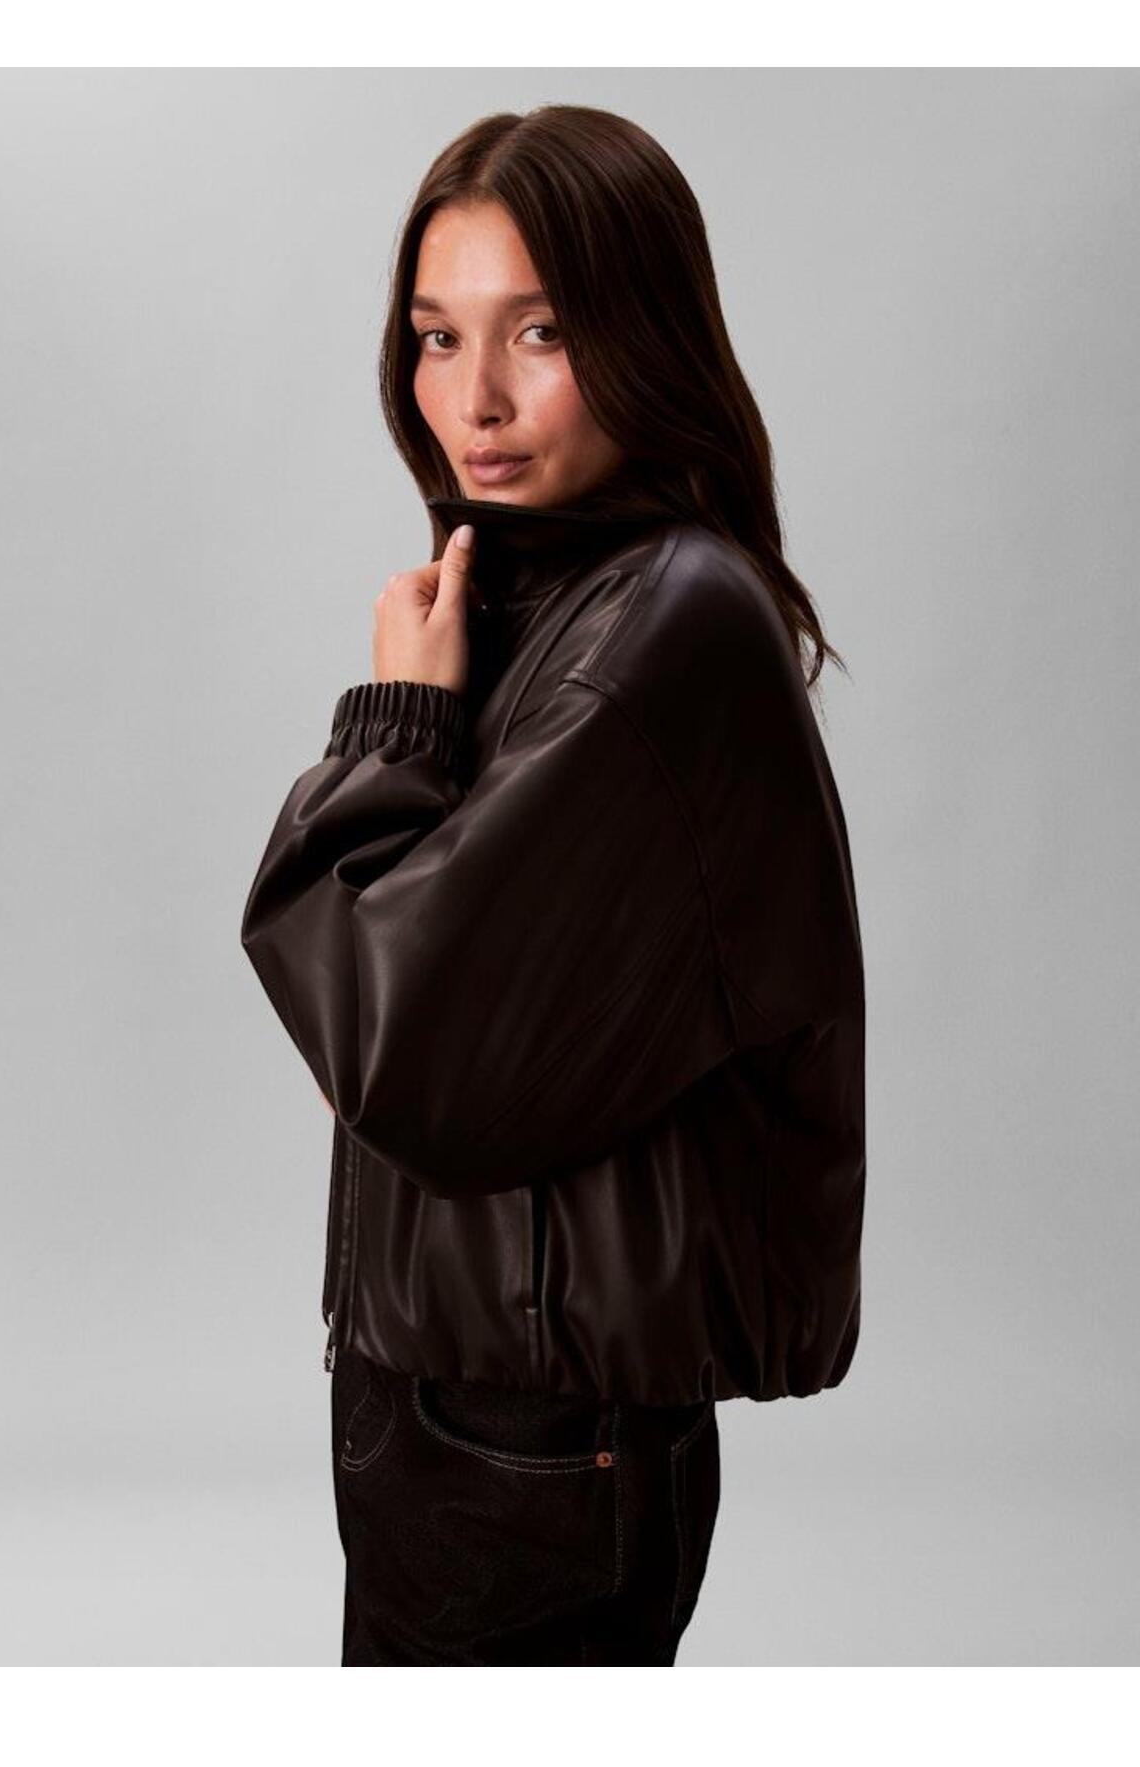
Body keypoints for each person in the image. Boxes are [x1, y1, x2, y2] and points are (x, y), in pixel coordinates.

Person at [240, 103, 866, 1666]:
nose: (478, 399)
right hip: (464, 1398)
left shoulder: (657, 634)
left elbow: (400, 1045)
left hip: (526, 1432)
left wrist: (396, 722)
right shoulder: (559, 600)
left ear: (645, 334)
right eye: (436, 338)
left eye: (541, 332)